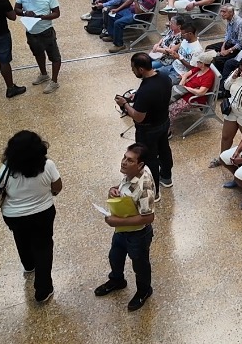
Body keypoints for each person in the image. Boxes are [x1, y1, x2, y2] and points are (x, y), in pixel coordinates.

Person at [0, 130, 62, 303]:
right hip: (43, 214)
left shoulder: (8, 168)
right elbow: (57, 187)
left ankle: (29, 265)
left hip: (14, 216)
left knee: (20, 238)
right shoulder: (48, 165)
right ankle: (43, 290)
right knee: (43, 247)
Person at [94, 144, 156, 312]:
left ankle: (144, 291)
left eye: (129, 160)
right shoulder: (131, 174)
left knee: (140, 265)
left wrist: (116, 222)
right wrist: (113, 189)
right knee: (115, 256)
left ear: (140, 165)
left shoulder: (145, 188)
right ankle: (117, 280)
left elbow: (148, 217)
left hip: (138, 234)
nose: (123, 162)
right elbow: (126, 187)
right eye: (124, 157)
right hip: (122, 231)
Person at [115, 53, 173, 196]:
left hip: (148, 130)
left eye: (133, 68)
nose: (132, 70)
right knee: (164, 149)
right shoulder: (164, 77)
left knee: (150, 158)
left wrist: (125, 104)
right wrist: (138, 97)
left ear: (141, 69)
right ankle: (166, 177)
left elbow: (138, 117)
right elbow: (158, 97)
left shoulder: (147, 90)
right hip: (163, 121)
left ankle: (154, 192)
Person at [14, 0, 62, 93]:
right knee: (38, 54)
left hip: (46, 31)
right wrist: (25, 13)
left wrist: (42, 17)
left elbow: (56, 13)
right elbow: (16, 9)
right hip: (31, 32)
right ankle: (44, 74)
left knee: (55, 57)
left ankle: (54, 81)